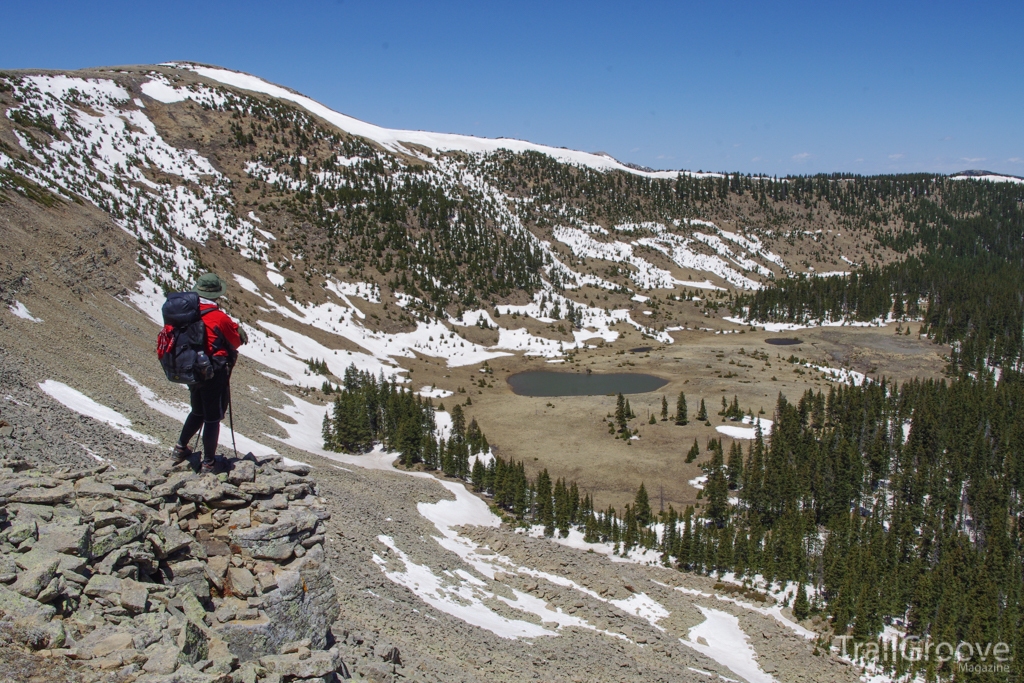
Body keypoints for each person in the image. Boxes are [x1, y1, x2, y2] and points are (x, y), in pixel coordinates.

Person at [171, 273, 247, 473]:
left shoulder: (187, 314)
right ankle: (209, 462)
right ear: (216, 295)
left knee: (197, 411)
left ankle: (180, 448)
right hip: (214, 371)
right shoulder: (219, 317)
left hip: (192, 370)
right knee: (212, 418)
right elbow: (235, 342)